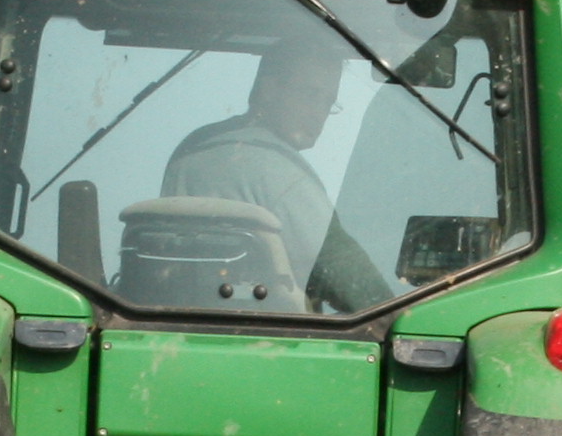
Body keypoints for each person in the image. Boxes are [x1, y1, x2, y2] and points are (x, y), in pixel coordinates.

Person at [159, 43, 395, 311]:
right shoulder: (278, 170)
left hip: (182, 319)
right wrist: (395, 315)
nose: (318, 113)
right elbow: (347, 276)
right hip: (267, 334)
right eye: (310, 94)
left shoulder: (192, 148)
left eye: (328, 102)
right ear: (268, 89)